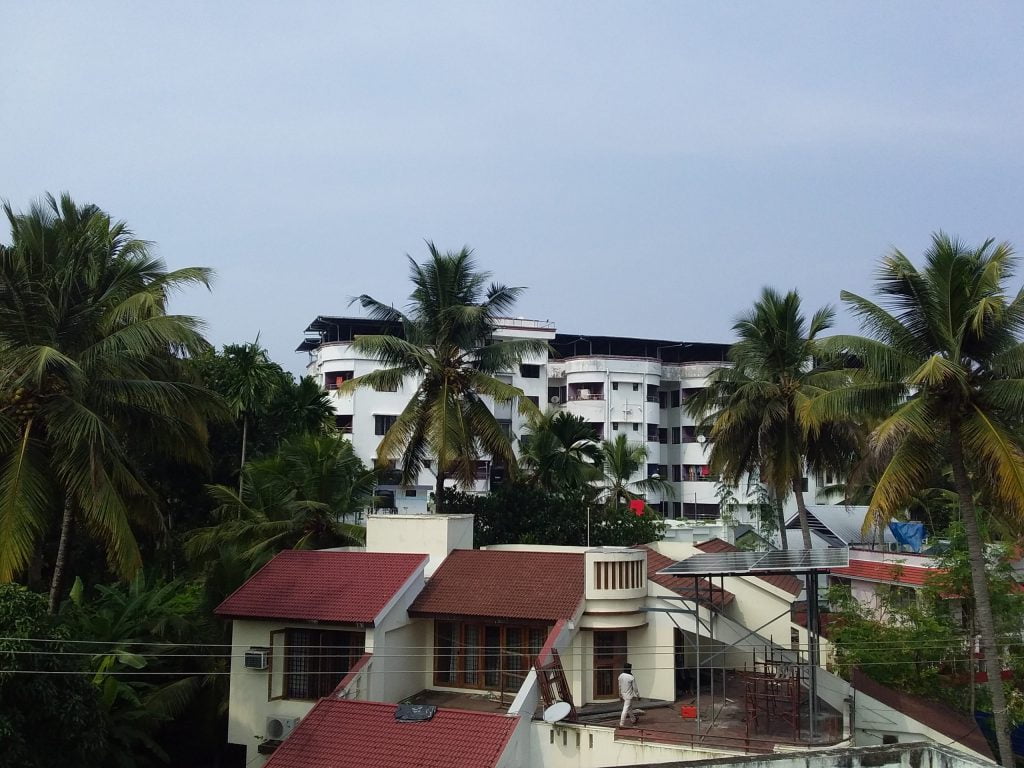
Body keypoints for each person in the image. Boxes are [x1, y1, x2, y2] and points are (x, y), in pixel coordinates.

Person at [618, 662, 640, 727]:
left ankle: (633, 719)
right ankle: (621, 724)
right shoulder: (631, 677)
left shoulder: (620, 676)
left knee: (629, 708)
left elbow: (619, 686)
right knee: (625, 709)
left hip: (623, 694)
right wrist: (638, 695)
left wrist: (620, 695)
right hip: (628, 696)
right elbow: (635, 688)